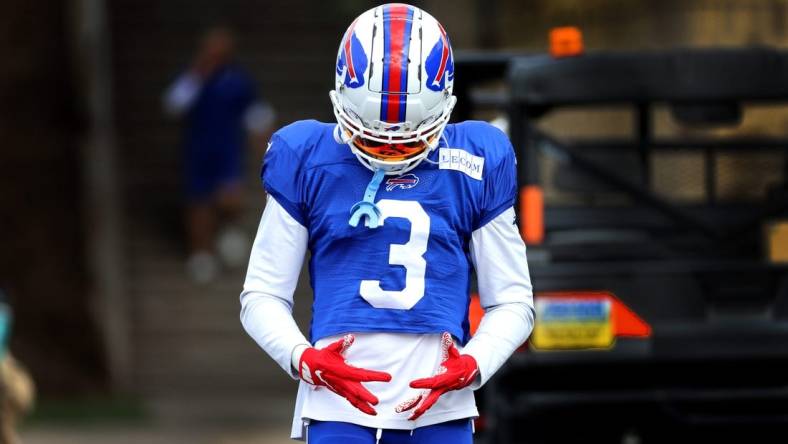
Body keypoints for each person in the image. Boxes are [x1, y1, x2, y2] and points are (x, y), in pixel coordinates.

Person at [241, 4, 534, 443]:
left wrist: (474, 363)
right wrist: (302, 357)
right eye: (373, 136)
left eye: (409, 137)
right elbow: (261, 294)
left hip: (440, 406)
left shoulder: (476, 159)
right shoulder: (306, 157)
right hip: (337, 401)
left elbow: (513, 300)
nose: (390, 151)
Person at [163, 27, 274, 283]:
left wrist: (266, 147)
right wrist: (197, 74)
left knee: (230, 200)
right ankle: (201, 255)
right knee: (198, 204)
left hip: (228, 152)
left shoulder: (238, 81)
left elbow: (256, 116)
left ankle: (229, 233)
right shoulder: (193, 79)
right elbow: (173, 104)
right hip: (197, 152)